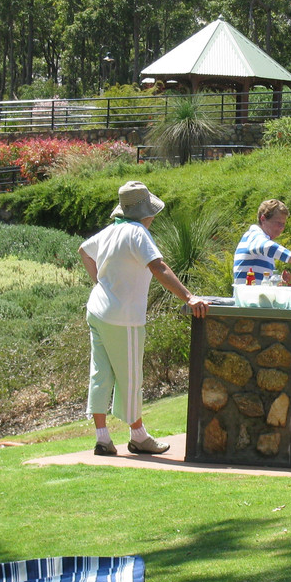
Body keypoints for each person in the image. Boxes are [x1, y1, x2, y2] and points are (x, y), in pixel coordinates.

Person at [80, 181, 209, 457]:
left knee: (100, 373)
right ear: (145, 213)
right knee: (130, 376)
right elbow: (158, 266)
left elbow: (84, 250)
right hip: (122, 317)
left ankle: (102, 437)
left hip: (98, 311)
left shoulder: (111, 231)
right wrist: (188, 297)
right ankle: (138, 435)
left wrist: (99, 283)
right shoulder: (138, 233)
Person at [232, 199, 291, 284]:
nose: (281, 228)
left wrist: (278, 280)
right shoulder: (253, 236)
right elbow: (269, 247)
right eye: (278, 223)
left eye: (283, 224)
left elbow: (261, 282)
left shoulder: (263, 243)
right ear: (263, 219)